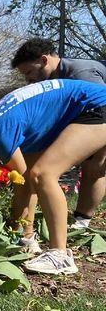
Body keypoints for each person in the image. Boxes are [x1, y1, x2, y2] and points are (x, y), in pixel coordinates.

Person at [0, 79, 106, 275]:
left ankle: (60, 256)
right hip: (84, 109)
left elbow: (24, 184)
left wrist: (16, 229)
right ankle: (28, 238)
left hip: (96, 106)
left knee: (42, 174)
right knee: (34, 172)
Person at [11, 37, 106, 229]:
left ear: (44, 60)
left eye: (30, 72)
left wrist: (102, 155)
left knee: (94, 167)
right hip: (89, 118)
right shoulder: (54, 79)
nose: (29, 79)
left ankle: (82, 221)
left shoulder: (81, 73)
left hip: (101, 116)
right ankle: (80, 220)